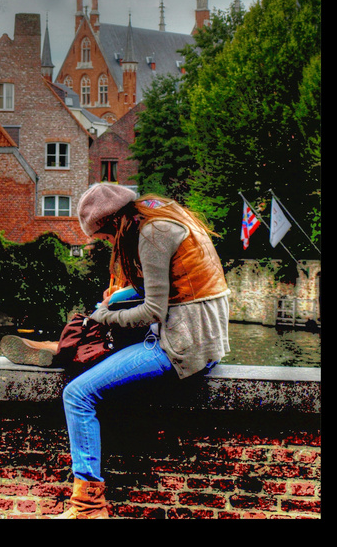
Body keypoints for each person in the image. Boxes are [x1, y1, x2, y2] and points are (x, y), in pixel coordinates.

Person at [49, 183, 229, 519]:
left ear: (114, 223)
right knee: (108, 305)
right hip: (202, 336)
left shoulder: (152, 234)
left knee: (77, 394)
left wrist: (106, 315)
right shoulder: (161, 213)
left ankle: (88, 506)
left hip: (179, 344)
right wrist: (112, 302)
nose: (108, 244)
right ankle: (79, 343)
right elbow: (157, 286)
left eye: (104, 237)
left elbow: (152, 312)